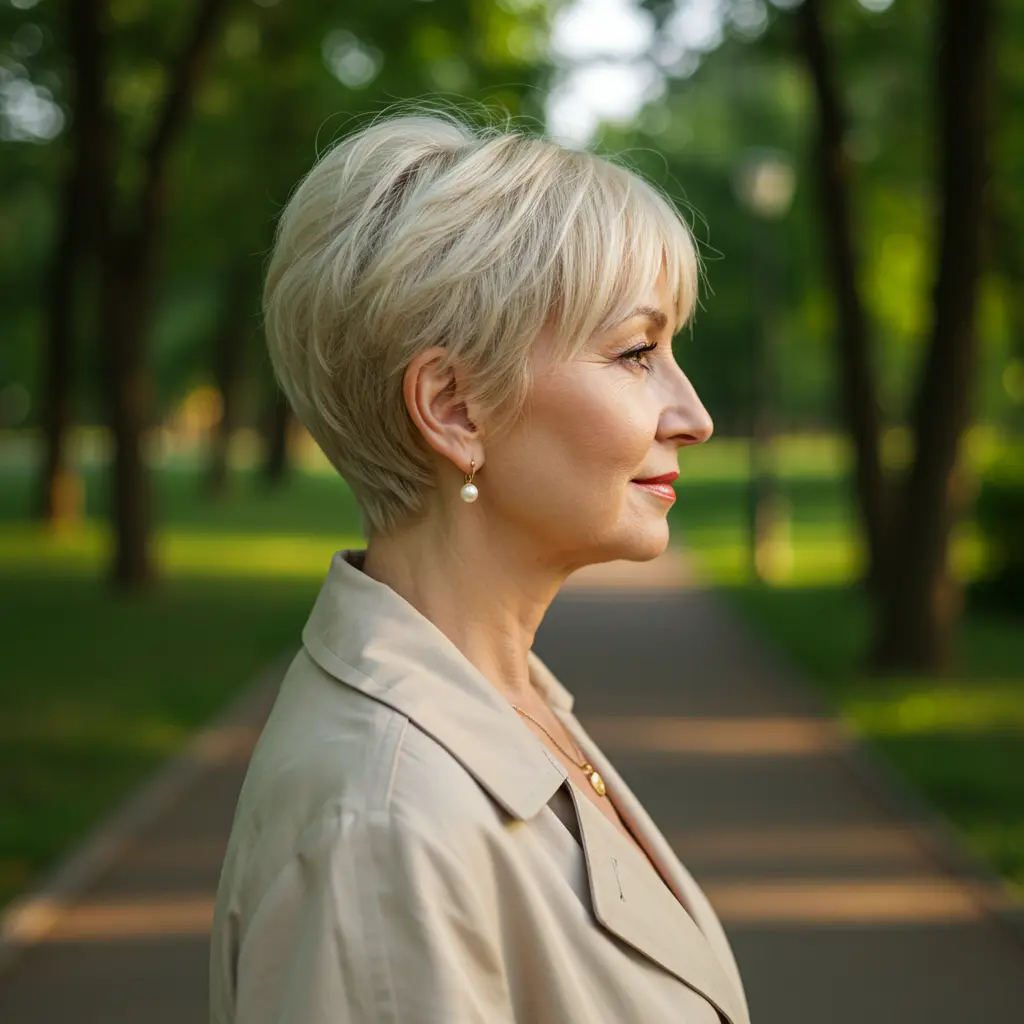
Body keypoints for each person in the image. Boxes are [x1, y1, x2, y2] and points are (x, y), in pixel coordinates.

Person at [209, 108, 750, 1024]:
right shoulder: (385, 830)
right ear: (456, 408)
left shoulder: (503, 706)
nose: (692, 414)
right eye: (636, 352)